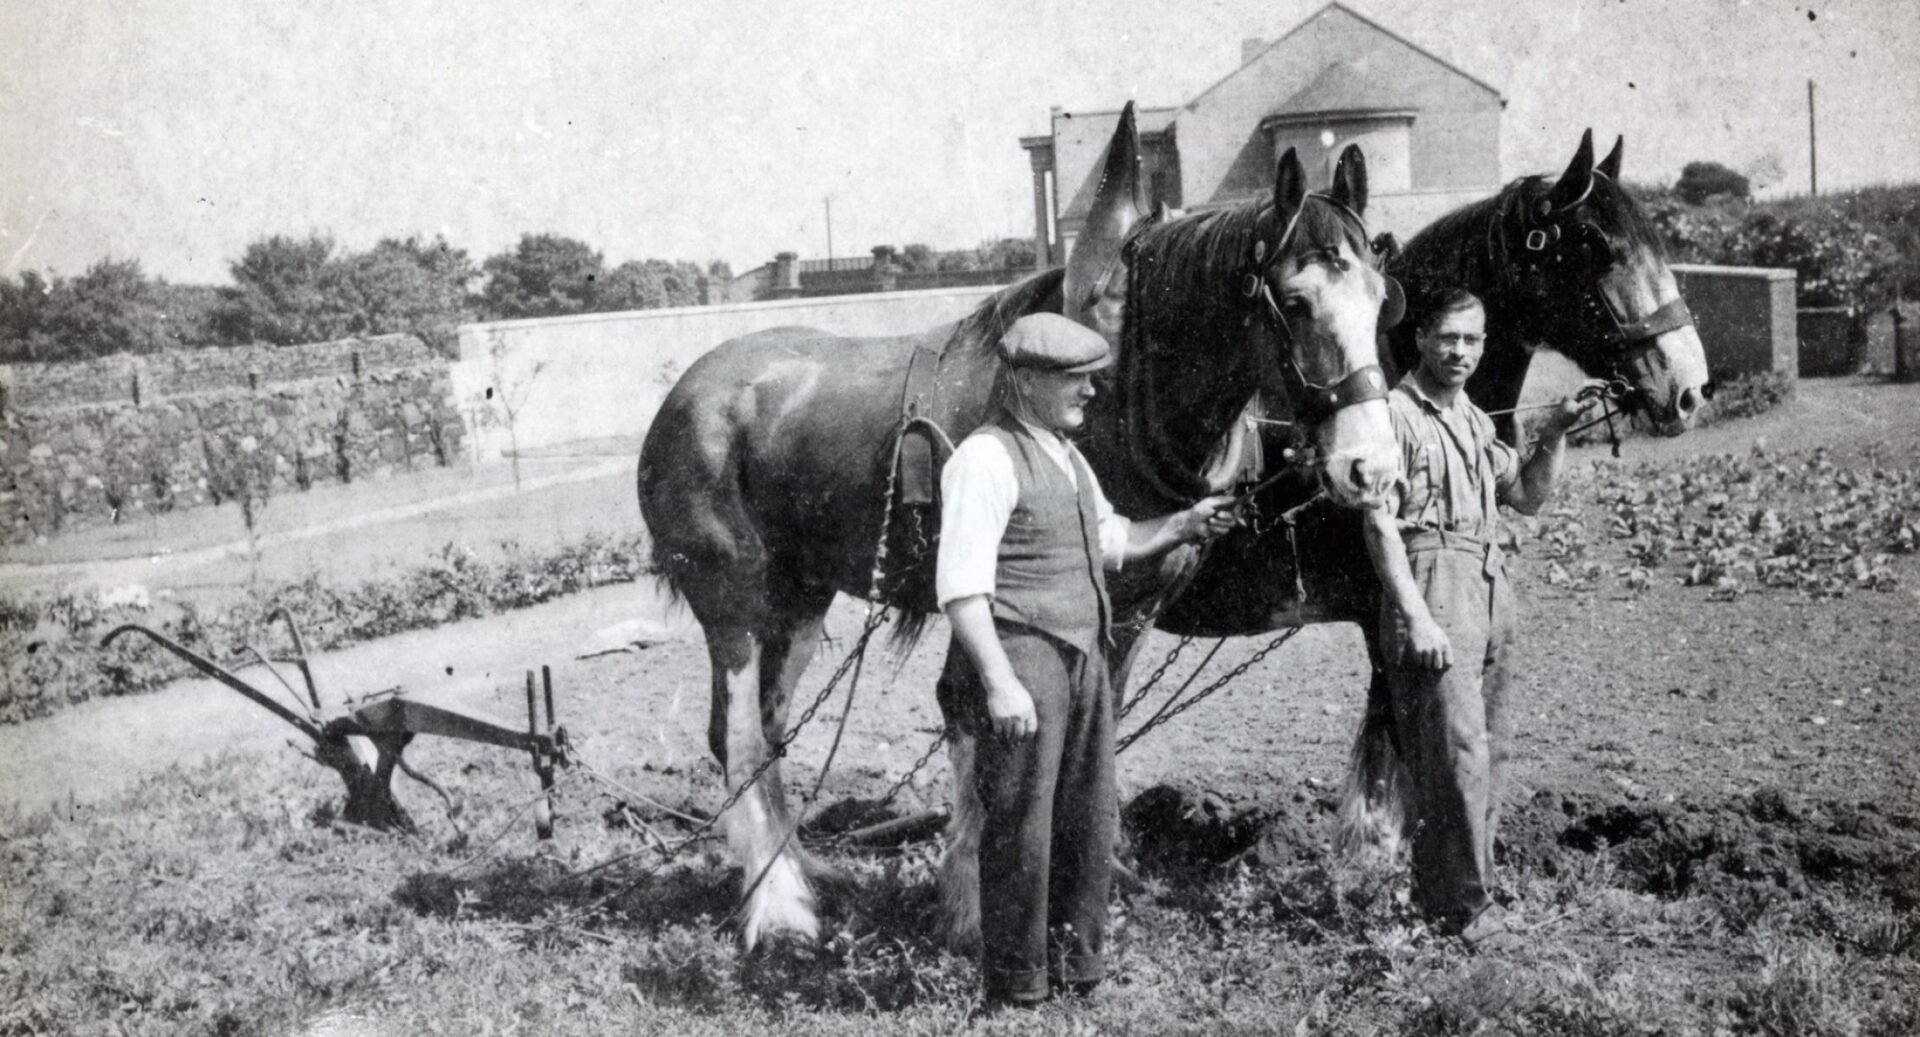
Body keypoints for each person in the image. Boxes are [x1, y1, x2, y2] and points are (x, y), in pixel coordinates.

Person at [936, 312, 1237, 1008]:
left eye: (1092, 378)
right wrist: (1000, 680)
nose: (1090, 392)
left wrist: (1187, 522)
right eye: (1075, 379)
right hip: (1023, 658)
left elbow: (1115, 539)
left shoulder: (1069, 458)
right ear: (1025, 381)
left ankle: (1076, 969)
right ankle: (1015, 986)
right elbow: (962, 589)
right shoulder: (984, 459)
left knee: (1087, 816)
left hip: (1082, 657)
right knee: (1021, 824)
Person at [1362, 289, 1602, 948]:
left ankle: (1472, 894)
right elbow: (1379, 523)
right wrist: (1414, 616)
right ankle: (1461, 911)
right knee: (1453, 753)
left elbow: (1524, 495)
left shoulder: (1470, 417)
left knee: (1489, 751)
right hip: (1432, 581)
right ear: (1420, 341)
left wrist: (1554, 431)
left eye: (1472, 339)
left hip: (1489, 582)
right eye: (1447, 338)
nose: (1460, 352)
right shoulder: (1392, 415)